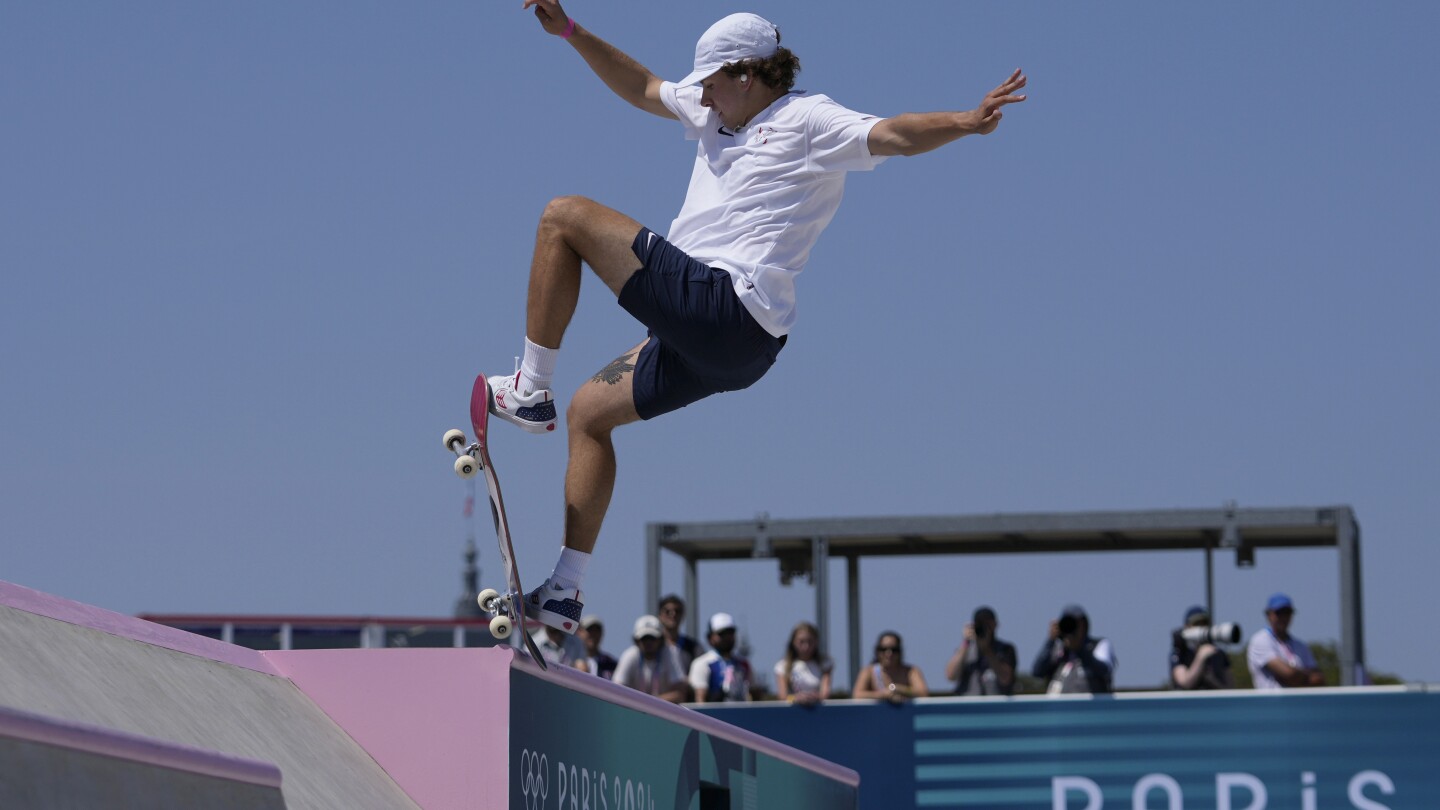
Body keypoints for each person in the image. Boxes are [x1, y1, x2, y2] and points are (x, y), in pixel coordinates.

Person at [497, 2, 1029, 632]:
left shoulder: (808, 118)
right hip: (734, 350)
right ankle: (565, 590)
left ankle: (530, 387)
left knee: (563, 216)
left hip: (724, 303)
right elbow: (641, 86)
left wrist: (965, 122)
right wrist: (571, 33)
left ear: (748, 74)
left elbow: (893, 134)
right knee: (588, 415)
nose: (703, 99)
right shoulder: (712, 109)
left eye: (712, 85)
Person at [1031, 604, 1116, 694]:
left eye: (1075, 624)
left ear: (1085, 625)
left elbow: (1103, 670)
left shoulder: (1099, 645)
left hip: (1089, 707)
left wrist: (1079, 650)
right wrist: (1050, 641)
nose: (1071, 628)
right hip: (1059, 707)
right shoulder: (1057, 649)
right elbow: (1037, 672)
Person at [1246, 593, 1324, 689]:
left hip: (1298, 703)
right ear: (1268, 615)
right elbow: (1289, 674)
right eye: (1279, 613)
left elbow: (1320, 680)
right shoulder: (1261, 640)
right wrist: (1305, 676)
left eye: (1287, 612)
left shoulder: (1301, 646)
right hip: (1271, 703)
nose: (1283, 617)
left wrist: (1294, 676)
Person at [611, 614, 689, 703]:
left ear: (661, 639)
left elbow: (679, 694)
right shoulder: (629, 655)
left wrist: (648, 703)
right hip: (634, 711)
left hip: (663, 711)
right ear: (636, 640)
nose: (648, 642)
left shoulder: (671, 653)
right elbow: (616, 690)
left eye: (652, 638)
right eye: (644, 638)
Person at [944, 606, 1017, 696]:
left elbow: (1005, 679)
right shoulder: (965, 650)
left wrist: (987, 650)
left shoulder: (1005, 650)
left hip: (995, 705)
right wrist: (965, 643)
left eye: (988, 625)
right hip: (968, 705)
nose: (984, 628)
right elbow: (951, 676)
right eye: (980, 624)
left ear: (995, 625)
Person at [689, 613, 754, 703]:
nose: (727, 638)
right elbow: (700, 700)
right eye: (722, 634)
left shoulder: (744, 664)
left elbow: (752, 695)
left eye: (730, 633)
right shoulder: (702, 664)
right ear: (710, 637)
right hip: (714, 716)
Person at [852, 631, 929, 703]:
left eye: (894, 650)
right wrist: (883, 695)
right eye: (883, 649)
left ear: (900, 652)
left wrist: (899, 689)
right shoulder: (868, 671)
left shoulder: (911, 671)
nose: (889, 654)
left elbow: (923, 692)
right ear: (877, 652)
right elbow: (857, 695)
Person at [1170, 605, 1234, 690]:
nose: (1201, 627)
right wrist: (1200, 658)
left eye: (1204, 623)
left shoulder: (1218, 653)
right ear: (1187, 627)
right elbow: (1185, 683)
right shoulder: (1180, 653)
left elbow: (1230, 687)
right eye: (1196, 624)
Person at [773, 621, 833, 705]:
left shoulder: (825, 664)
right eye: (801, 642)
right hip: (793, 713)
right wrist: (795, 698)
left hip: (817, 710)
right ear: (793, 642)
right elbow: (782, 696)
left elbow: (825, 694)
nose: (806, 646)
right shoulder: (782, 666)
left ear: (816, 642)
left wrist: (814, 697)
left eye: (810, 641)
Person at [657, 594, 704, 673]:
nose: (673, 614)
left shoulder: (693, 648)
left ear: (683, 615)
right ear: (660, 615)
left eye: (677, 611)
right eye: (667, 611)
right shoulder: (654, 645)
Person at [577, 614, 618, 680]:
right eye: (590, 630)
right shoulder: (570, 659)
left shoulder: (611, 664)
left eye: (597, 631)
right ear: (579, 632)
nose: (593, 635)